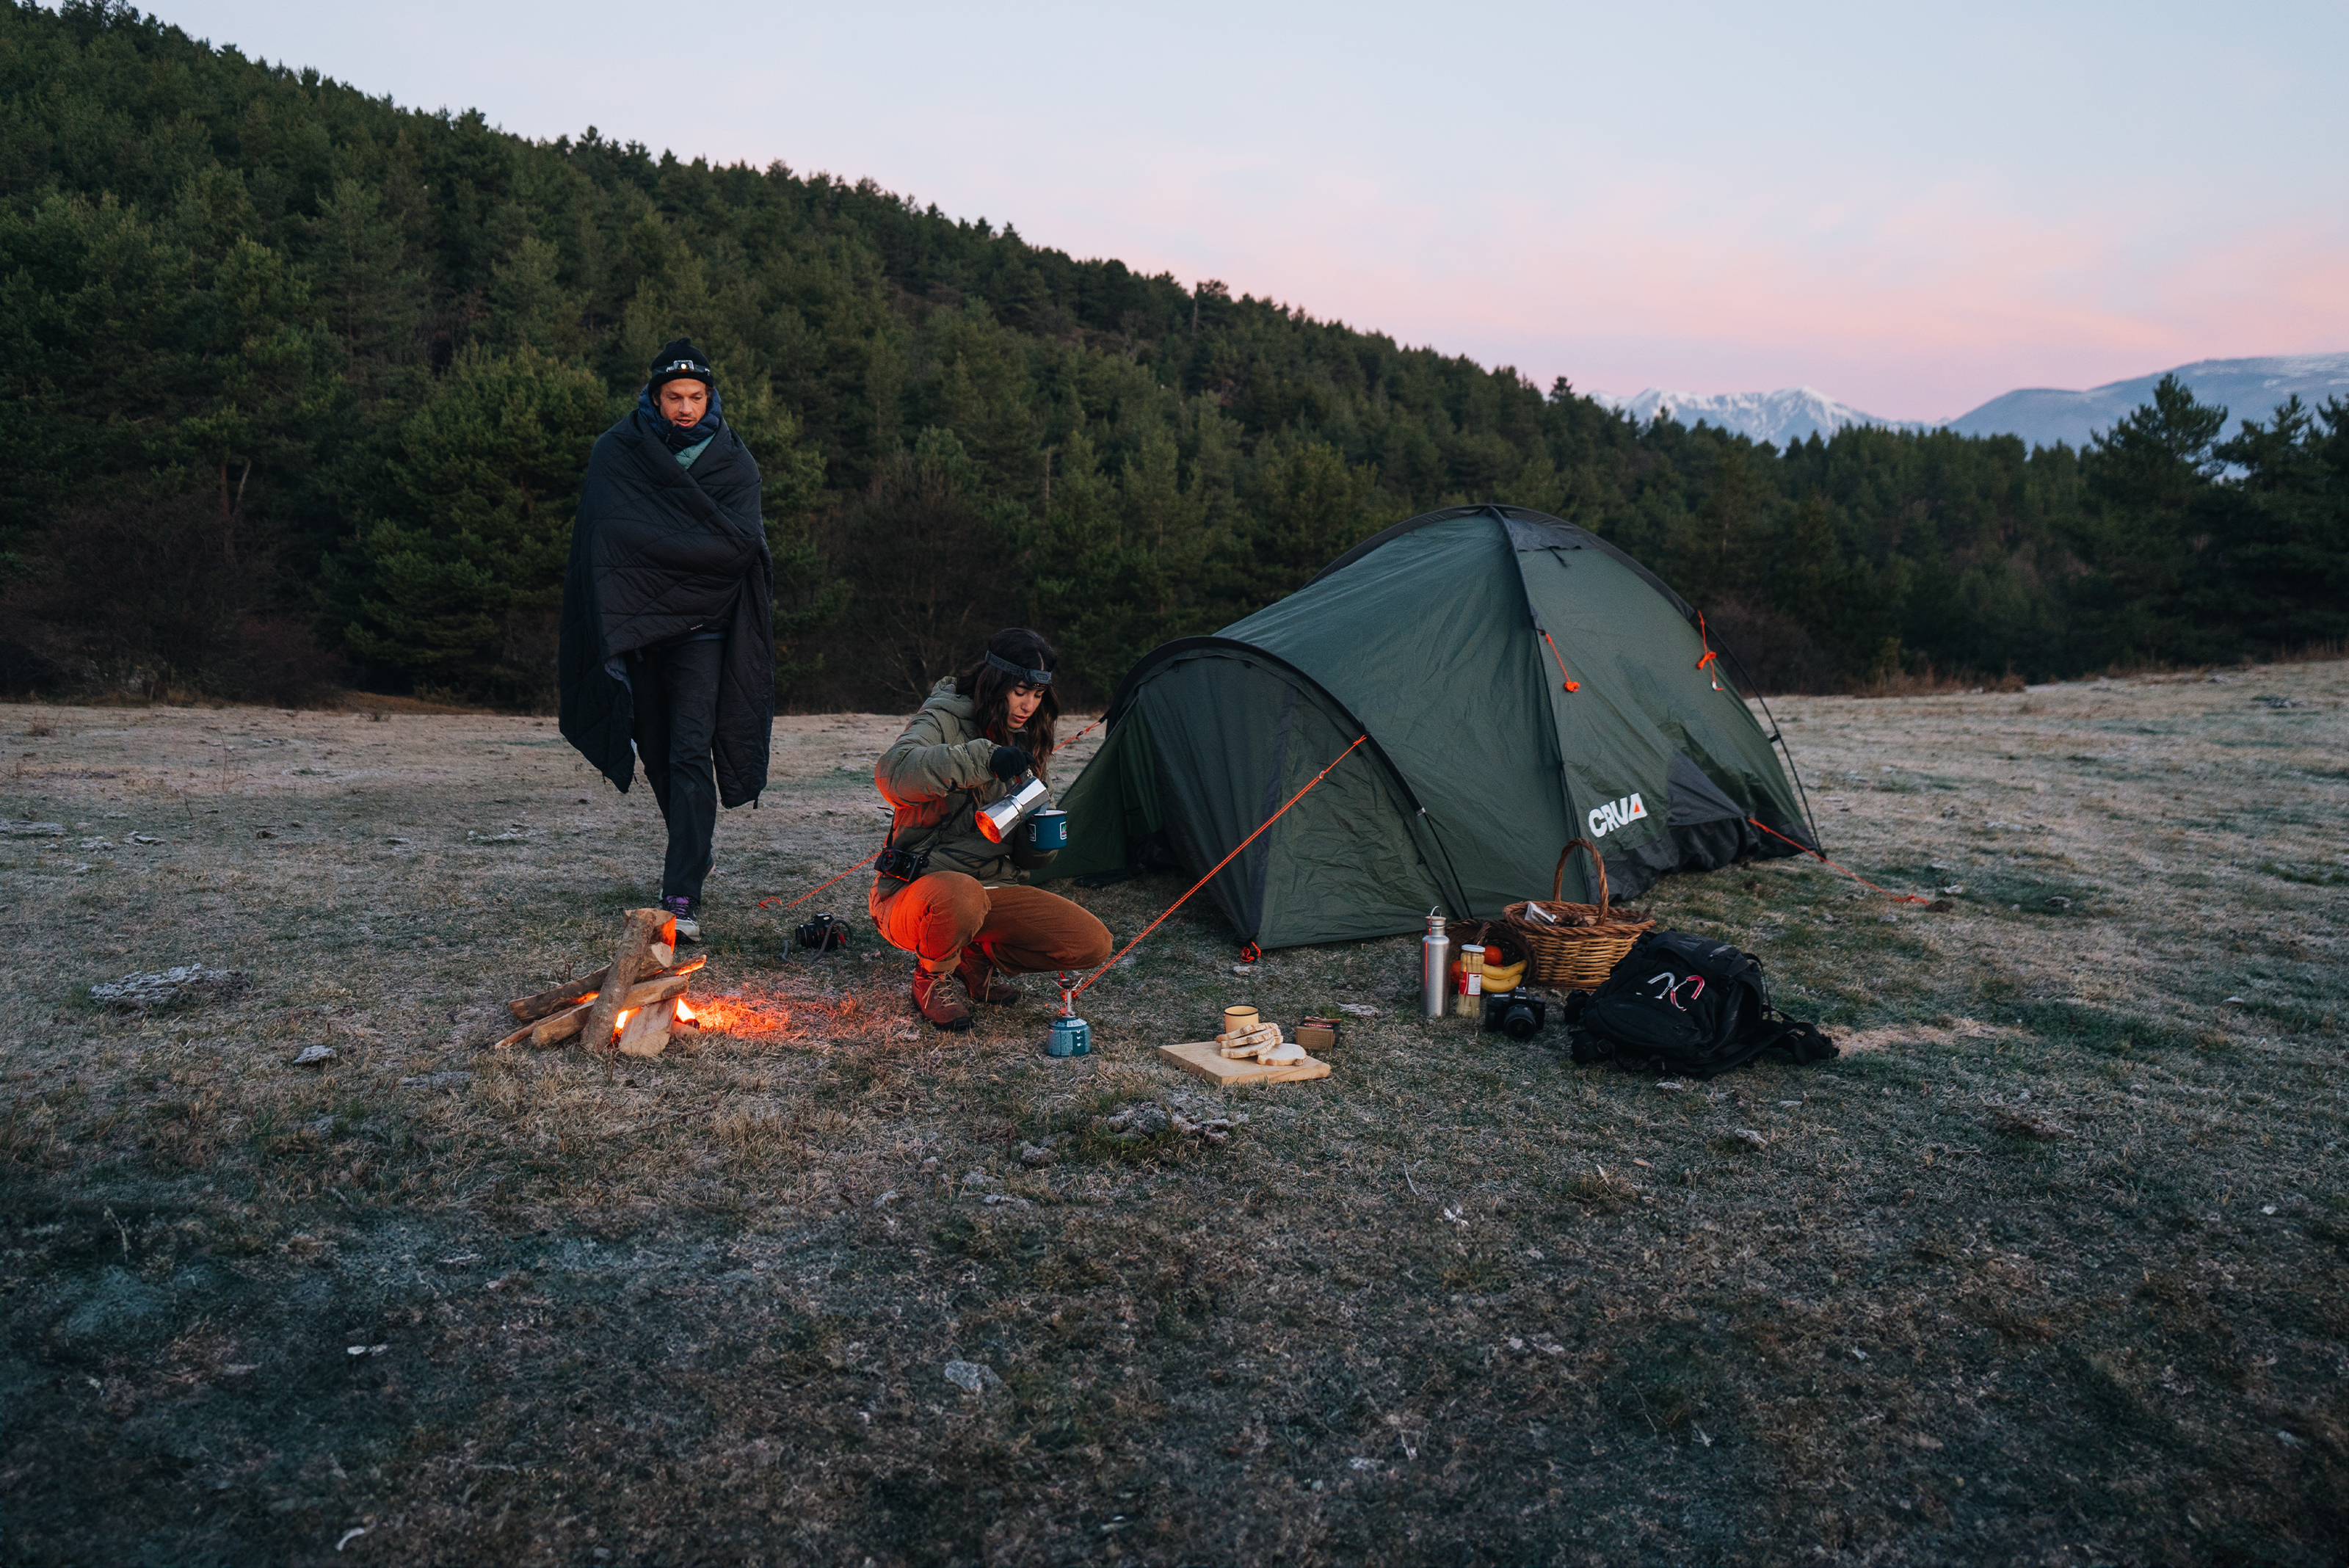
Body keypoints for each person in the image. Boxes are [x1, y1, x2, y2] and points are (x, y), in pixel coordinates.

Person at [557, 338, 774, 942]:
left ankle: (682, 893)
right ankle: (694, 850)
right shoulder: (618, 452)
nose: (685, 408)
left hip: (704, 631)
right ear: (655, 397)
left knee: (688, 753)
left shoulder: (733, 463)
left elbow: (738, 548)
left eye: (696, 397)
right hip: (638, 629)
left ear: (711, 398)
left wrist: (661, 557)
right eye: (674, 397)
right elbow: (603, 541)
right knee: (655, 752)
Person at [871, 628, 1113, 1030]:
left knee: (1090, 943)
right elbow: (893, 774)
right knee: (961, 896)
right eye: (1020, 692)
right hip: (918, 893)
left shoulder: (1029, 737)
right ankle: (931, 976)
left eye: (1037, 696)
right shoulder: (945, 716)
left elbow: (1025, 854)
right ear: (995, 681)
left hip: (991, 893)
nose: (1028, 706)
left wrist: (1040, 842)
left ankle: (975, 957)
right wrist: (985, 758)